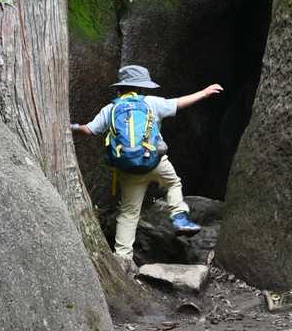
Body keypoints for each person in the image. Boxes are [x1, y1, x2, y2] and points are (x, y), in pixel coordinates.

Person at [71, 65, 223, 266]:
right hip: (156, 163)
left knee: (129, 213)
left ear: (120, 88)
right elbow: (178, 103)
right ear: (141, 87)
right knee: (173, 184)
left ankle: (123, 258)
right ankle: (179, 216)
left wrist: (72, 127)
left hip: (128, 169)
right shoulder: (151, 102)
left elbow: (88, 130)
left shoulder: (111, 109)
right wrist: (204, 93)